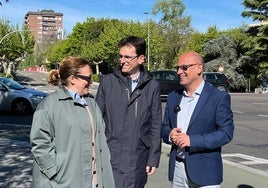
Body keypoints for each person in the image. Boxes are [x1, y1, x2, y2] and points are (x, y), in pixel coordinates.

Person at [30, 56, 115, 188]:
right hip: (63, 182)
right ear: (72, 79)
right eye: (87, 78)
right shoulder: (49, 105)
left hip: (93, 181)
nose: (91, 82)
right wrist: (56, 172)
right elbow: (40, 144)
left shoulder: (91, 102)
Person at [96, 36, 162, 188]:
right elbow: (97, 119)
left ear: (140, 58)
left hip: (138, 158)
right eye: (120, 56)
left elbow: (155, 125)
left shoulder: (152, 86)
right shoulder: (108, 82)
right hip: (110, 155)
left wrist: (153, 158)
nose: (122, 60)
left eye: (127, 57)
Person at [161, 51, 234, 188]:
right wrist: (170, 134)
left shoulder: (218, 97)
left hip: (205, 174)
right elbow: (164, 127)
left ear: (199, 68)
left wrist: (192, 141)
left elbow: (226, 133)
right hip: (177, 171)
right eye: (177, 68)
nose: (179, 72)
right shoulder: (173, 97)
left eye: (184, 67)